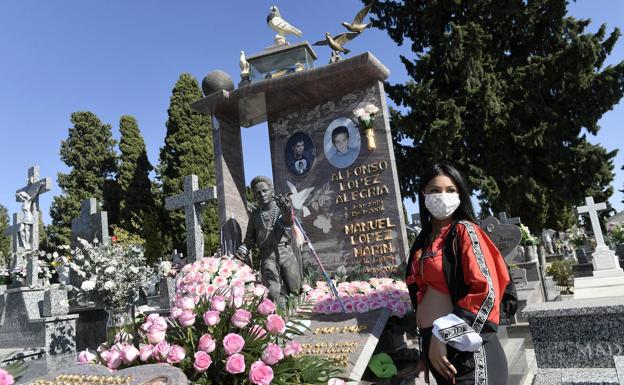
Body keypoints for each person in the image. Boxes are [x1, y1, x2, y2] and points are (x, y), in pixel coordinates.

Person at [405, 162, 510, 385]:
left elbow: (485, 292)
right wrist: (427, 347)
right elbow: (423, 296)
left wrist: (442, 334)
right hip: (438, 352)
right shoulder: (423, 241)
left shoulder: (465, 231)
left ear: (460, 194)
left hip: (468, 354)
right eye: (434, 190)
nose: (442, 196)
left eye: (450, 190)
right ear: (423, 194)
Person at [235, 176, 302, 304]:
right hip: (267, 255)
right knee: (272, 289)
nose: (262, 194)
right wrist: (243, 250)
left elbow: (288, 221)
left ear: (272, 190)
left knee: (294, 285)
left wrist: (287, 209)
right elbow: (249, 239)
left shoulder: (281, 208)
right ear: (254, 196)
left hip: (284, 251)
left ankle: (298, 311)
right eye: (257, 193)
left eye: (265, 190)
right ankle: (280, 315)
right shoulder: (255, 215)